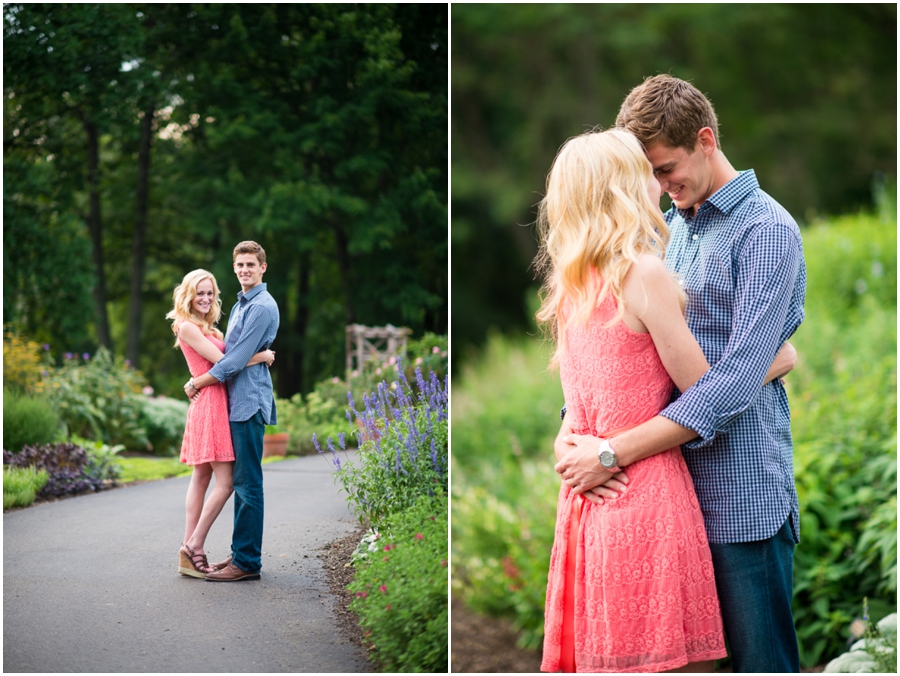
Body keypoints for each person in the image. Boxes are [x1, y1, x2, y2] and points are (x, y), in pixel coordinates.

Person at [554, 75, 806, 672]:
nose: (661, 187)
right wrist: (572, 431)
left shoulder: (767, 233)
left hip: (737, 496)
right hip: (662, 498)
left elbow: (726, 389)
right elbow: (627, 356)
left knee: (759, 664)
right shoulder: (674, 229)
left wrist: (610, 452)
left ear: (706, 139)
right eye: (650, 175)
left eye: (667, 170)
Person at [167, 269, 275, 578]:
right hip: (211, 403)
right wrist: (262, 354)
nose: (205, 298)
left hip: (214, 400)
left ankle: (190, 547)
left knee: (201, 478)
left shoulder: (208, 327)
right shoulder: (186, 326)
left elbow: (230, 358)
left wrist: (248, 355)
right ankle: (193, 547)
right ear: (188, 295)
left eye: (210, 293)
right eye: (199, 293)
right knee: (226, 482)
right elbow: (225, 362)